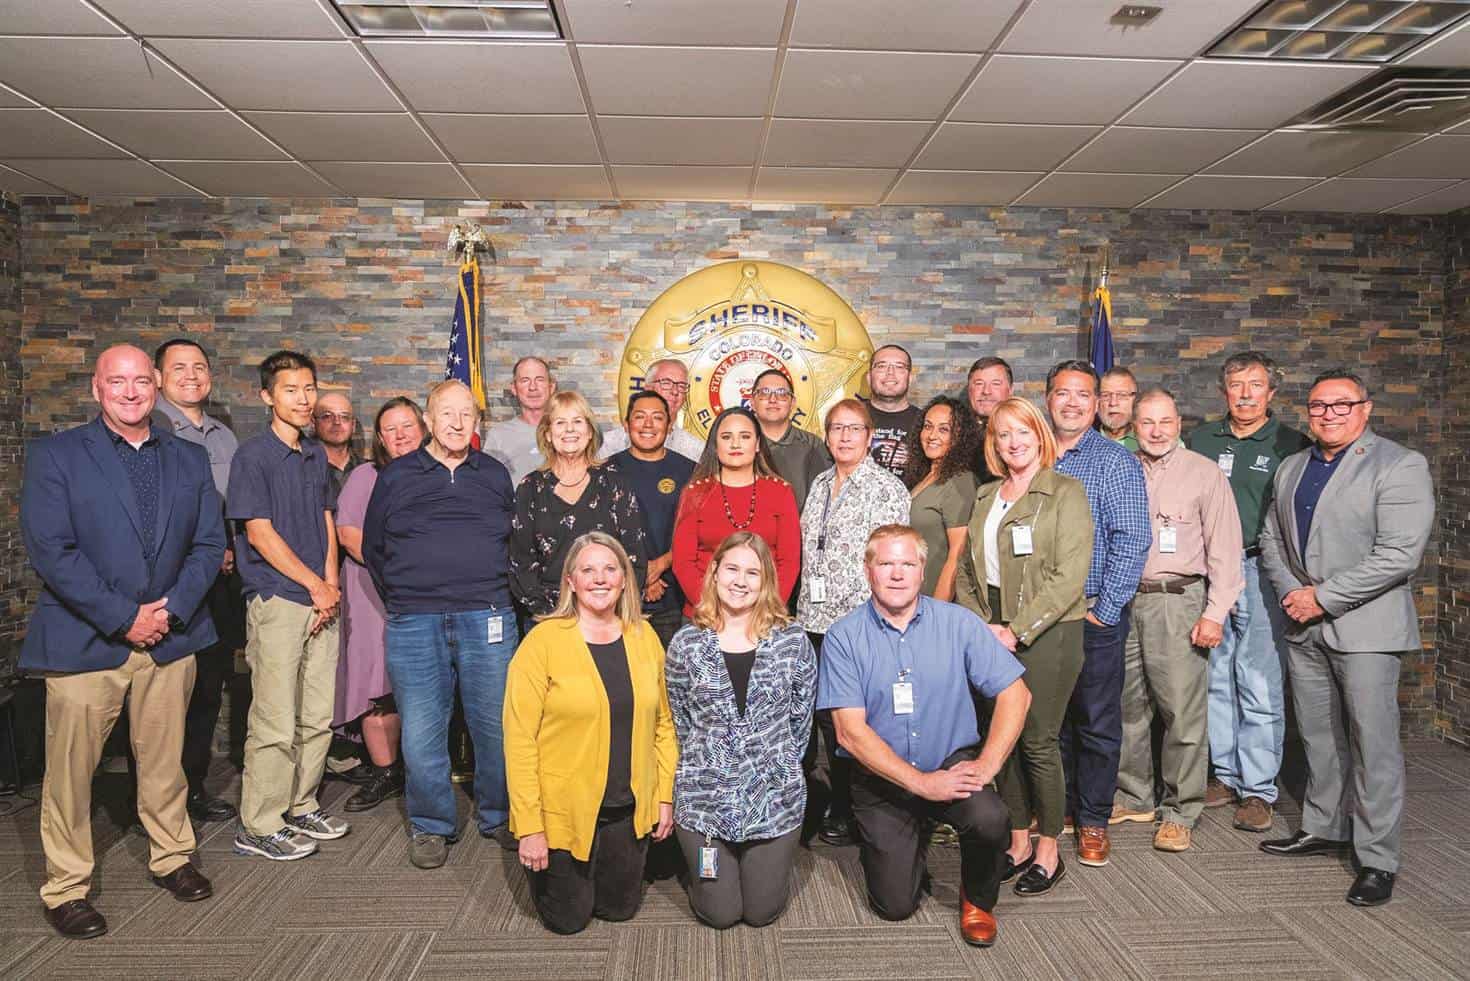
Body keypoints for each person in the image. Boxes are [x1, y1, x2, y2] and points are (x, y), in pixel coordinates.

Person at [21, 344, 225, 939]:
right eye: (118, 381)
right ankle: (66, 887)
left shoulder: (188, 459)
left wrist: (171, 610)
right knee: (71, 773)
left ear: (156, 387)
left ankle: (172, 857)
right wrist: (123, 617)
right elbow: (52, 551)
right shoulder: (57, 455)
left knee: (165, 764)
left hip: (171, 636)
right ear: (96, 388)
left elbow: (209, 545)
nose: (131, 391)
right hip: (87, 641)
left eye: (142, 381)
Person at [1258, 370, 1434, 908]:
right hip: (1303, 626)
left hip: (1366, 630)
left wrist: (1323, 597)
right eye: (1318, 406)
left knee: (1372, 746)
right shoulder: (1292, 466)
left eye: (1341, 405)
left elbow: (1399, 554)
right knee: (1318, 737)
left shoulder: (1400, 465)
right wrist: (1294, 593)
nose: (1328, 414)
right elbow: (1270, 537)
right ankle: (1323, 827)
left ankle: (1378, 858)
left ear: (1366, 408)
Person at [819, 526, 1030, 947]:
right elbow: (850, 732)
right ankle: (903, 838)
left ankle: (978, 900)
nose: (897, 574)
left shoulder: (957, 623)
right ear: (868, 571)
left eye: (907, 564)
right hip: (880, 776)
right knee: (895, 904)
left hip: (948, 761)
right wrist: (920, 785)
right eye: (886, 564)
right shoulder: (843, 637)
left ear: (921, 571)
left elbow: (1016, 695)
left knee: (990, 818)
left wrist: (987, 765)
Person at [363, 380, 522, 867]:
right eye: (446, 414)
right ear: (428, 420)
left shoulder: (495, 474)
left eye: (466, 415)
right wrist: (410, 598)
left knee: (494, 725)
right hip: (416, 618)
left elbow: (511, 541)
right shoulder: (396, 476)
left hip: (488, 614)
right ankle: (432, 824)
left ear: (478, 423)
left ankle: (498, 814)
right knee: (422, 728)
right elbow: (374, 548)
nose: (456, 423)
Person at [504, 532, 678, 934]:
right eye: (587, 570)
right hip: (563, 811)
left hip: (626, 808)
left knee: (619, 910)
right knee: (568, 920)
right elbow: (519, 741)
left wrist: (663, 797)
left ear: (623, 581)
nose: (599, 579)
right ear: (570, 581)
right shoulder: (542, 643)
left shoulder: (644, 637)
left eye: (609, 569)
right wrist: (530, 827)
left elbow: (664, 727)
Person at [955, 397, 1091, 896]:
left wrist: (1017, 629)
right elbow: (969, 571)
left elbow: (1068, 577)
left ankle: (1049, 848)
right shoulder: (987, 495)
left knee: (1037, 739)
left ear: (1040, 436)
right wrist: (980, 625)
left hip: (1049, 632)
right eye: (1003, 435)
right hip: (991, 629)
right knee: (1003, 739)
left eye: (1022, 433)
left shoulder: (1065, 493)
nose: (1013, 443)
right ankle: (1016, 842)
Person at [1112, 390, 1243, 853]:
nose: (1156, 430)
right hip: (1125, 600)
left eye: (1165, 421)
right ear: (1133, 425)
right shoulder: (1121, 468)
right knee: (1128, 707)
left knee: (1181, 713)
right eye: (1146, 422)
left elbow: (1227, 550)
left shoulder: (1204, 474)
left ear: (1179, 422)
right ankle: (1134, 795)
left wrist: (1214, 612)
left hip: (1179, 600)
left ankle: (1181, 810)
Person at [1185, 351, 1311, 832]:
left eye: (1255, 385)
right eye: (1236, 385)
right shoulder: (1199, 440)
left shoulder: (1289, 443)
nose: (1245, 394)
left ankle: (1259, 789)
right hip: (1210, 569)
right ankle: (1227, 775)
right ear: (1224, 391)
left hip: (1260, 568)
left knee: (1256, 680)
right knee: (1215, 676)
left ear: (1271, 393)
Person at [228, 349, 346, 861]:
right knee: (275, 718)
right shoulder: (252, 457)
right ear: (267, 397)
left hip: (321, 599)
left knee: (316, 716)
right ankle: (259, 823)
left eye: (309, 389)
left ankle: (300, 804)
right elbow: (259, 533)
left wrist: (331, 583)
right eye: (291, 390)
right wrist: (312, 586)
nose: (303, 399)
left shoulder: (315, 454)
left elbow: (325, 522)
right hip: (278, 599)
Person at [665, 532, 815, 928]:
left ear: (766, 581)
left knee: (761, 913)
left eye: (753, 572)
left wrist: (772, 764)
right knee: (721, 915)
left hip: (773, 796)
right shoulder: (686, 644)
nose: (740, 580)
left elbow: (801, 721)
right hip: (704, 798)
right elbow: (681, 720)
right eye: (731, 568)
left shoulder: (792, 641)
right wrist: (711, 763)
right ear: (714, 573)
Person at [1047, 359, 1151, 868]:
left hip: (1090, 615)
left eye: (1082, 395)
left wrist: (1106, 611)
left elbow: (1132, 540)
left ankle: (1092, 820)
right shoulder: (1031, 454)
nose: (1071, 403)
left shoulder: (1114, 461)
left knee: (1096, 722)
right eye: (1062, 393)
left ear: (1096, 403)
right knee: (1050, 720)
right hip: (1040, 619)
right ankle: (1061, 811)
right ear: (1048, 399)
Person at [798, 398, 911, 845]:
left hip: (859, 625)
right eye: (837, 429)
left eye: (854, 428)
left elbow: (892, 565)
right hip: (813, 619)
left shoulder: (887, 489)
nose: (845, 436)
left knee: (857, 721)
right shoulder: (820, 484)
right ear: (827, 437)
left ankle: (857, 809)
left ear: (869, 436)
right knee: (826, 720)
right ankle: (837, 802)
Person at [151, 337, 241, 823]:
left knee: (207, 688)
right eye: (179, 367)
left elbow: (231, 510)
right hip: (169, 582)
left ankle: (193, 788)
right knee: (162, 698)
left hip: (219, 584)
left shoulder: (224, 437)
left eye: (200, 366)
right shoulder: (152, 427)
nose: (191, 375)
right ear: (159, 377)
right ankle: (156, 798)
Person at [330, 397, 426, 813]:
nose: (401, 434)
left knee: (418, 684)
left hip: (425, 594)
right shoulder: (365, 477)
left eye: (408, 425)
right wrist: (396, 573)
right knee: (376, 684)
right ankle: (385, 771)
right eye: (391, 428)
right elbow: (349, 536)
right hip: (373, 591)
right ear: (380, 438)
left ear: (423, 429)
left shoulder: (437, 475)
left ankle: (415, 767)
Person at [509, 389, 649, 619]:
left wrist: (612, 609)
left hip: (607, 613)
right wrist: (550, 612)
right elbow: (520, 561)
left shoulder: (614, 482)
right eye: (560, 422)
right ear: (547, 434)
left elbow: (634, 557)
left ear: (590, 432)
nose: (570, 430)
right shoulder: (530, 488)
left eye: (577, 421)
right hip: (548, 617)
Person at [672, 407, 800, 616]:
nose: (735, 444)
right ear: (715, 445)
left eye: (745, 436)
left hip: (765, 614)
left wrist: (766, 609)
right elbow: (683, 563)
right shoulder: (695, 493)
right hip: (705, 614)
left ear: (757, 444)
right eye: (726, 437)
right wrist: (711, 608)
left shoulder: (781, 492)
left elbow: (789, 562)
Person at [604, 390, 695, 648]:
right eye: (639, 417)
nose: (648, 425)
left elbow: (695, 530)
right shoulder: (606, 470)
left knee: (669, 680)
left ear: (669, 426)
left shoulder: (689, 470)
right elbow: (603, 533)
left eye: (657, 418)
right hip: (619, 598)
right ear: (626, 424)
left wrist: (661, 565)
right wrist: (641, 573)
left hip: (672, 596)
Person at [901, 395, 981, 600]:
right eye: (927, 426)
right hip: (910, 597)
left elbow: (958, 554)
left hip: (934, 600)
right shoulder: (924, 477)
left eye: (944, 429)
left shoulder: (960, 481)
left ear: (959, 437)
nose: (932, 435)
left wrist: (938, 612)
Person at [749, 366, 829, 508]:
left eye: (782, 393)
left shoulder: (812, 445)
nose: (773, 399)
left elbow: (825, 500)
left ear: (792, 403)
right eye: (764, 392)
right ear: (752, 402)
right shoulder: (740, 444)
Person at [602, 358, 704, 461]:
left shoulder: (696, 451)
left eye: (682, 386)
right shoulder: (606, 446)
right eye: (666, 383)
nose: (675, 391)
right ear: (648, 388)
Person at [485, 356, 554, 486]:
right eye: (525, 380)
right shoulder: (498, 436)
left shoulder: (568, 431)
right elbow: (488, 486)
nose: (533, 387)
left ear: (551, 386)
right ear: (514, 388)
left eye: (540, 380)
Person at [864, 344, 924, 478]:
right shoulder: (849, 418)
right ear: (869, 377)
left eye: (899, 367)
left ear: (910, 378)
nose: (890, 373)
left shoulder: (926, 422)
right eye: (881, 366)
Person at [965, 356, 1012, 480]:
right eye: (979, 384)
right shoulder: (954, 433)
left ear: (1010, 390)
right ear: (969, 390)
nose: (986, 391)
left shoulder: (1024, 435)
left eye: (996, 384)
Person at [312, 391, 360, 497]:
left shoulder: (368, 470)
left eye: (344, 417)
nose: (337, 422)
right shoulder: (302, 468)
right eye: (327, 416)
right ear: (313, 423)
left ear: (353, 425)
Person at [1097, 367, 1139, 451]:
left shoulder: (1149, 441)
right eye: (1106, 395)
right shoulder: (1082, 441)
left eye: (1122, 395)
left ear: (1135, 399)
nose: (1113, 403)